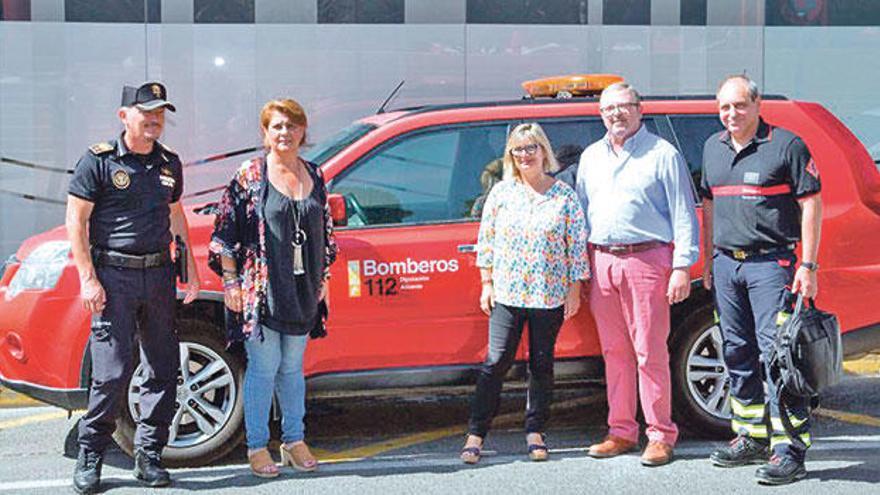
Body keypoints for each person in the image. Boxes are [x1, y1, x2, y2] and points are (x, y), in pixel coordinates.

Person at [67, 82, 200, 493]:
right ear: (124, 115)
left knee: (162, 367)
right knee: (112, 371)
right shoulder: (99, 161)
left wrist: (190, 268)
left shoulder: (168, 164)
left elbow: (176, 215)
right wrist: (88, 277)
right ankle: (92, 454)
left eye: (160, 112)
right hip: (114, 278)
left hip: (158, 276)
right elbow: (77, 221)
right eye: (146, 112)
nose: (155, 119)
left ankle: (149, 455)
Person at [701, 75, 821, 485]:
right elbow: (710, 204)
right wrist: (708, 260)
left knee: (779, 358)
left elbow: (810, 204)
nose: (730, 114)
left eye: (739, 106)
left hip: (771, 266)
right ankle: (750, 436)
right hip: (726, 266)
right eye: (724, 107)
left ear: (756, 104)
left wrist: (808, 266)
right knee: (735, 352)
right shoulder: (711, 147)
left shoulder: (786, 145)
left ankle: (790, 449)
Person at [208, 99, 338, 478]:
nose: (285, 133)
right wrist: (231, 282)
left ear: (303, 132)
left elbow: (325, 230)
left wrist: (323, 279)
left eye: (292, 126)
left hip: (303, 288)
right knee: (264, 368)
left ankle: (294, 440)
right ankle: (256, 446)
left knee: (293, 369)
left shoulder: (315, 172)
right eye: (277, 126)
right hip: (261, 289)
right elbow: (225, 230)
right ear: (265, 133)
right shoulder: (251, 173)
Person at [576, 82, 699, 467]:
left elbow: (684, 212)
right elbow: (581, 213)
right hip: (602, 262)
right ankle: (621, 431)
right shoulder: (591, 157)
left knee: (650, 352)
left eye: (624, 107)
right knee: (614, 352)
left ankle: (660, 435)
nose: (616, 114)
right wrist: (582, 269)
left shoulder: (663, 154)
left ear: (639, 110)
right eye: (609, 109)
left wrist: (682, 266)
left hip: (648, 261)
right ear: (600, 114)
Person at [460, 123, 589, 464]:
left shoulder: (564, 196)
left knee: (542, 364)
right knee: (496, 361)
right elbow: (485, 241)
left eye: (531, 148)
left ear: (544, 151)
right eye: (518, 150)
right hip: (508, 293)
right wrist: (487, 283)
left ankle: (535, 431)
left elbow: (575, 247)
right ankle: (476, 432)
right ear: (511, 156)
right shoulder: (501, 194)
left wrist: (574, 289)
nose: (525, 155)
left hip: (548, 294)